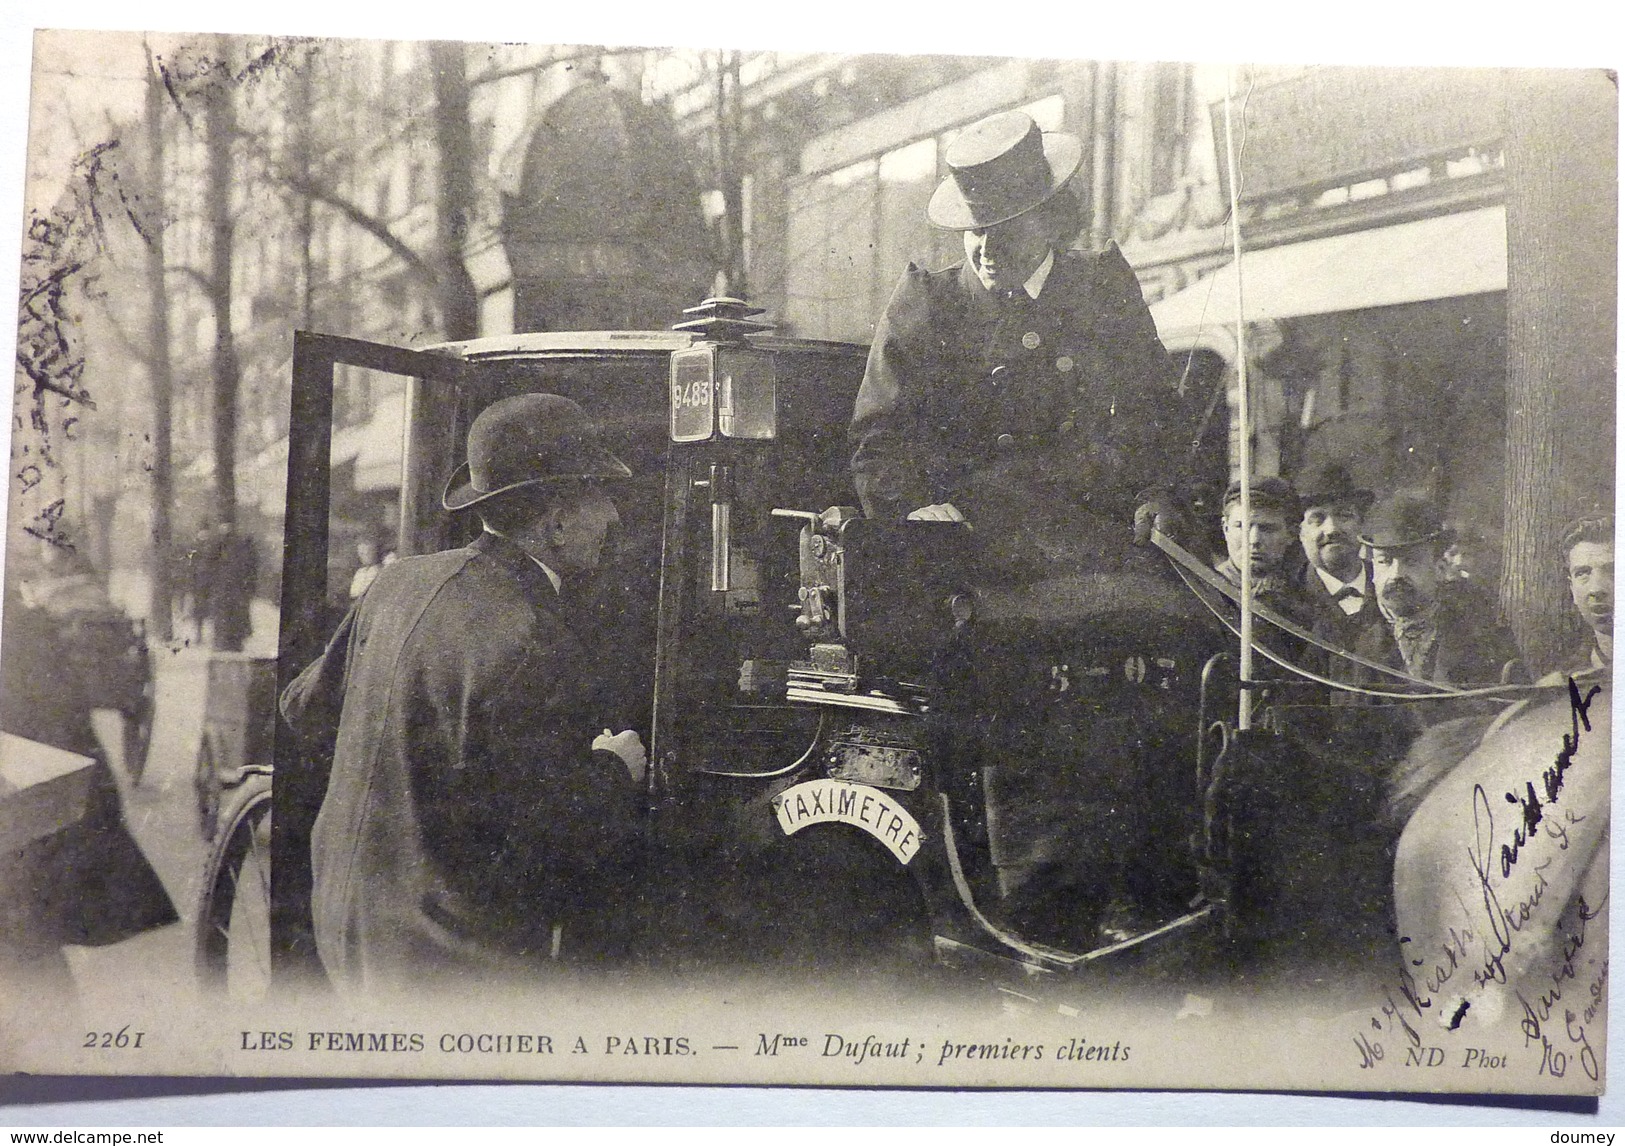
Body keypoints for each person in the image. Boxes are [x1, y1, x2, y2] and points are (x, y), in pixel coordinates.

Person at [281, 393, 649, 994]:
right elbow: (544, 839)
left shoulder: (396, 581)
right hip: (445, 964)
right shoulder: (536, 637)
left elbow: (303, 707)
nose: (613, 517)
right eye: (599, 497)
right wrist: (613, 770)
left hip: (342, 921)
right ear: (555, 521)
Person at [848, 109, 1186, 564]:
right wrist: (912, 510)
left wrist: (1157, 493)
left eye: (1005, 230)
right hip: (967, 544)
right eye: (976, 230)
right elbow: (880, 436)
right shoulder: (927, 302)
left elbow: (1152, 407)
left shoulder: (1101, 286)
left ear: (1049, 221)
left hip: (1093, 542)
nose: (985, 251)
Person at [1352, 493, 1526, 691]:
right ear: (1373, 569)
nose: (1396, 574)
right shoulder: (1354, 635)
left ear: (1440, 568)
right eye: (1385, 561)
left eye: (1411, 561)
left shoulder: (1481, 627)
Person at [1293, 462, 1382, 649]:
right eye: (1317, 520)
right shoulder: (1287, 597)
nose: (1332, 529)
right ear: (1300, 533)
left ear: (1362, 525)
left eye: (1344, 516)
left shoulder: (1386, 585)